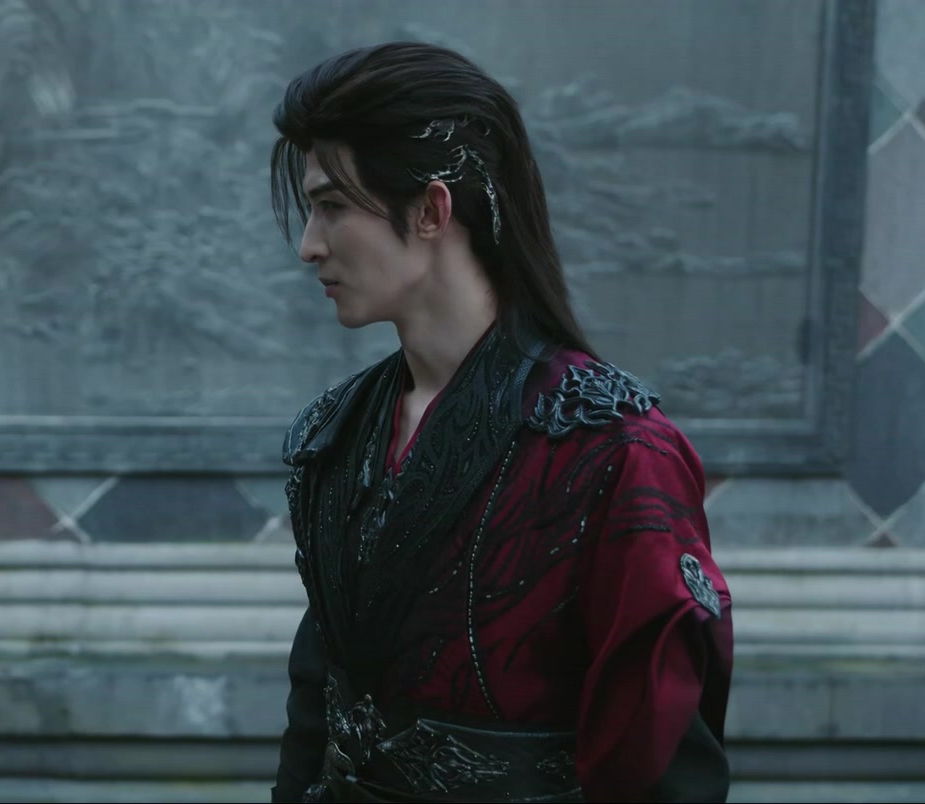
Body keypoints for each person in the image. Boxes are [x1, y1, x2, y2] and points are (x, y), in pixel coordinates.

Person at [266, 43, 733, 803]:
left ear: (431, 209)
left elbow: (661, 751)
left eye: (333, 206)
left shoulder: (613, 448)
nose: (308, 245)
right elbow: (315, 708)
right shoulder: (336, 435)